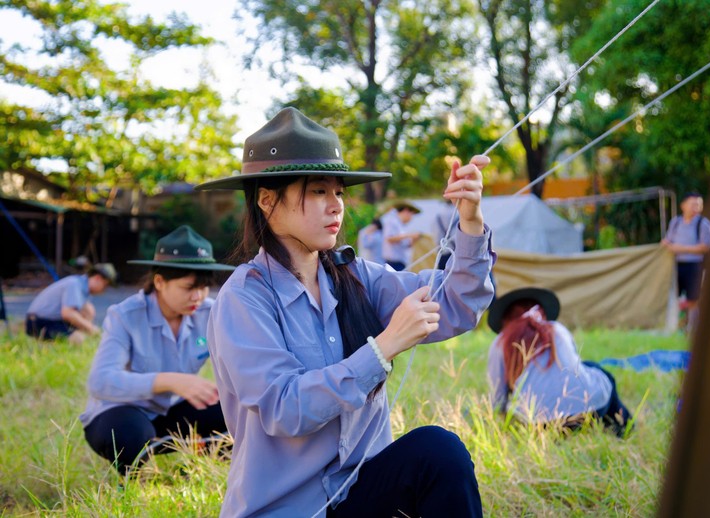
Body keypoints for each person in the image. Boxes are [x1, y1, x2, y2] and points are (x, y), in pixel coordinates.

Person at [195, 107, 495, 517]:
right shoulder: (245, 298)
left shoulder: (356, 277)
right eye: (318, 192)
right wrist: (383, 348)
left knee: (438, 452)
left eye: (338, 192)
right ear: (267, 200)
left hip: (358, 494)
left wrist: (471, 220)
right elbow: (285, 409)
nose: (335, 205)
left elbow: (457, 304)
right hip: (290, 509)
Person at [79, 225, 235, 475]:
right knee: (131, 435)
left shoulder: (210, 313)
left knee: (236, 411)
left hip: (170, 412)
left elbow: (239, 357)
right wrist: (169, 381)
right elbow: (100, 382)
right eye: (188, 287)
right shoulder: (125, 316)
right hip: (122, 410)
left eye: (204, 287)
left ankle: (199, 470)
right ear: (159, 281)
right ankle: (133, 479)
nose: (198, 296)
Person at [487, 287, 632, 437]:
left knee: (589, 367)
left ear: (506, 319)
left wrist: (505, 423)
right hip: (590, 410)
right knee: (595, 370)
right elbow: (574, 366)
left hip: (538, 422)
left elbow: (498, 398)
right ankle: (622, 427)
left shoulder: (500, 342)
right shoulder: (556, 329)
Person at [25, 262, 117, 343]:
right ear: (98, 278)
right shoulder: (75, 284)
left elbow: (85, 311)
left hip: (52, 320)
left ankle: (80, 335)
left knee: (88, 308)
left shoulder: (81, 286)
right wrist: (91, 329)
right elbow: (68, 313)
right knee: (78, 339)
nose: (104, 290)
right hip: (39, 322)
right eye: (105, 286)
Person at [661, 192, 710, 333]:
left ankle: (693, 329)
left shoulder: (703, 223)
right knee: (675, 297)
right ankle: (677, 327)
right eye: (693, 204)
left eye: (698, 205)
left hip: (694, 265)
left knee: (693, 299)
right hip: (676, 265)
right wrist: (666, 244)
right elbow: (668, 240)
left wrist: (680, 248)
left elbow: (705, 247)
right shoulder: (676, 222)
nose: (695, 207)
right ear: (683, 205)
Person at [380, 200, 422, 271]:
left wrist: (413, 239)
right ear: (406, 211)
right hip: (393, 263)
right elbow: (390, 238)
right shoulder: (392, 221)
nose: (411, 218)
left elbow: (404, 244)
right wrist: (410, 235)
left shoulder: (401, 225)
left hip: (401, 262)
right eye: (411, 214)